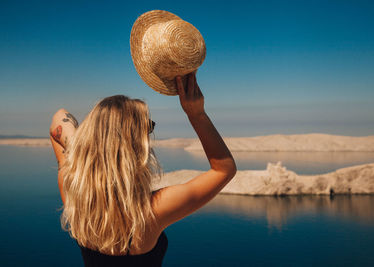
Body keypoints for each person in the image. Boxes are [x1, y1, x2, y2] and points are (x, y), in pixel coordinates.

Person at [49, 73, 237, 266]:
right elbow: (224, 169)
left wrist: (84, 146)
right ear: (133, 144)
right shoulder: (152, 211)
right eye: (147, 127)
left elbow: (58, 117)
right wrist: (196, 114)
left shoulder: (73, 192)